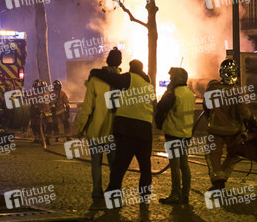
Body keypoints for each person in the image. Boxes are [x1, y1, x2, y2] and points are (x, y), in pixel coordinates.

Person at [89, 59, 155, 206]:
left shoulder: (128, 78)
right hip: (145, 129)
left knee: (120, 164)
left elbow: (111, 78)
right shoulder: (148, 85)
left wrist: (96, 72)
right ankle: (145, 194)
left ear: (131, 68)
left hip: (128, 128)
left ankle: (112, 191)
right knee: (145, 165)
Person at [76, 47, 122, 208]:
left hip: (96, 131)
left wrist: (80, 128)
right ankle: (115, 193)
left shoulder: (95, 81)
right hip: (113, 132)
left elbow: (87, 108)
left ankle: (97, 191)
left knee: (96, 163)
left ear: (107, 61)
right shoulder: (122, 81)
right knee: (114, 165)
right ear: (120, 63)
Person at [204, 59, 257, 190]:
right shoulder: (237, 91)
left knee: (213, 155)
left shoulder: (213, 88)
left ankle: (218, 179)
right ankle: (223, 176)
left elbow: (206, 107)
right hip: (234, 130)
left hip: (215, 129)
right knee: (234, 154)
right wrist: (251, 121)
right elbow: (244, 111)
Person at [156, 68, 195, 204]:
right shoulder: (190, 94)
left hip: (173, 133)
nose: (170, 80)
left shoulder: (173, 94)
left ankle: (175, 194)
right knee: (184, 164)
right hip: (186, 134)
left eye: (172, 77)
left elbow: (160, 107)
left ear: (176, 79)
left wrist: (167, 91)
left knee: (174, 165)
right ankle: (185, 194)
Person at [30, 79, 53, 145]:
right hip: (40, 114)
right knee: (39, 126)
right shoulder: (35, 95)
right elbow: (32, 104)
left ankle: (47, 138)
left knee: (49, 125)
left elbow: (51, 103)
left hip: (47, 113)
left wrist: (53, 109)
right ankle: (40, 139)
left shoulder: (48, 93)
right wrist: (35, 110)